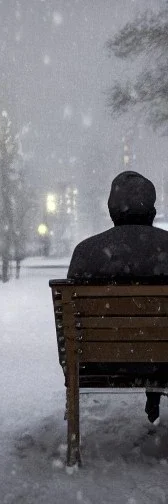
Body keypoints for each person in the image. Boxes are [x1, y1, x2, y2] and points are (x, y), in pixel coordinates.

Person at [68, 170, 168, 423]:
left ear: (112, 212)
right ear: (152, 212)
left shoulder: (86, 253)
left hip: (97, 364)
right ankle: (154, 395)